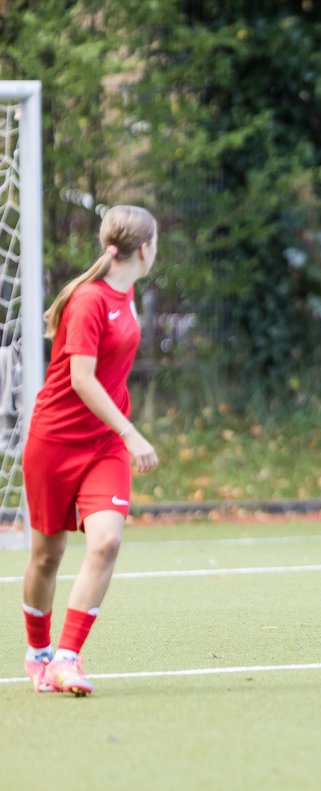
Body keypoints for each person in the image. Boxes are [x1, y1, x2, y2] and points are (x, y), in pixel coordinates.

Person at [20, 204, 160, 696]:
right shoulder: (87, 301)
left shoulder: (129, 292)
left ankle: (65, 659)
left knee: (106, 541)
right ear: (144, 249)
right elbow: (81, 380)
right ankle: (37, 655)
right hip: (55, 441)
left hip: (102, 446)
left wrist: (118, 435)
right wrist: (131, 432)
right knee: (47, 556)